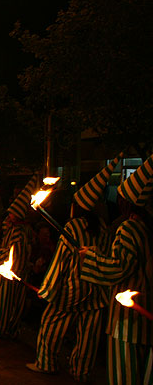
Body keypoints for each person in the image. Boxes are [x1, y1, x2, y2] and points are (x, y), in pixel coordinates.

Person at [27, 154, 121, 382]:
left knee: (51, 324)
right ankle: (81, 370)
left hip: (71, 290)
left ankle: (46, 362)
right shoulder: (103, 227)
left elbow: (61, 261)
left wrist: (48, 288)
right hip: (97, 291)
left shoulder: (74, 226)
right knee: (88, 335)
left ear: (77, 206)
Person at [80, 154, 152, 385]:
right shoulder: (144, 228)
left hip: (128, 323)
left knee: (124, 377)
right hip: (142, 317)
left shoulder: (129, 227)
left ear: (127, 202)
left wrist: (90, 258)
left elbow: (119, 267)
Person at [0, 175, 38, 339]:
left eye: (12, 213)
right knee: (14, 305)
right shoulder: (22, 230)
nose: (9, 215)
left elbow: (10, 254)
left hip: (11, 274)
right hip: (18, 273)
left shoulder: (19, 232)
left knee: (4, 303)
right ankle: (9, 329)